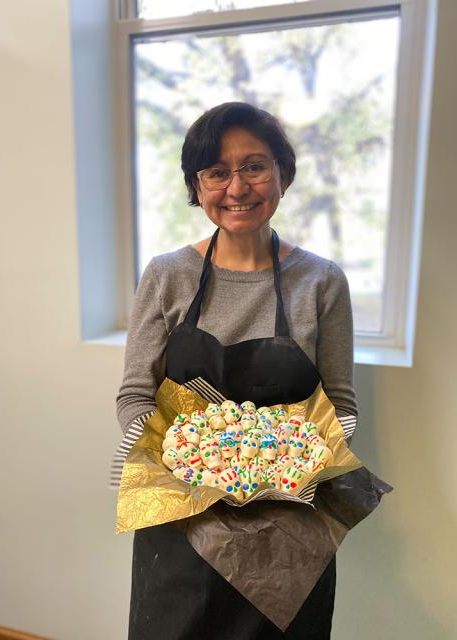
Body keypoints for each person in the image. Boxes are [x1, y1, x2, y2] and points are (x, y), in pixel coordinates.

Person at [117, 102, 357, 639]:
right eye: (216, 172)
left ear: (283, 175)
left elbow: (341, 406)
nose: (237, 187)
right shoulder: (167, 275)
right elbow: (135, 395)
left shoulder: (321, 281)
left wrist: (296, 466)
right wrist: (175, 457)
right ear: (197, 188)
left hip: (288, 525)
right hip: (183, 521)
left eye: (254, 166)